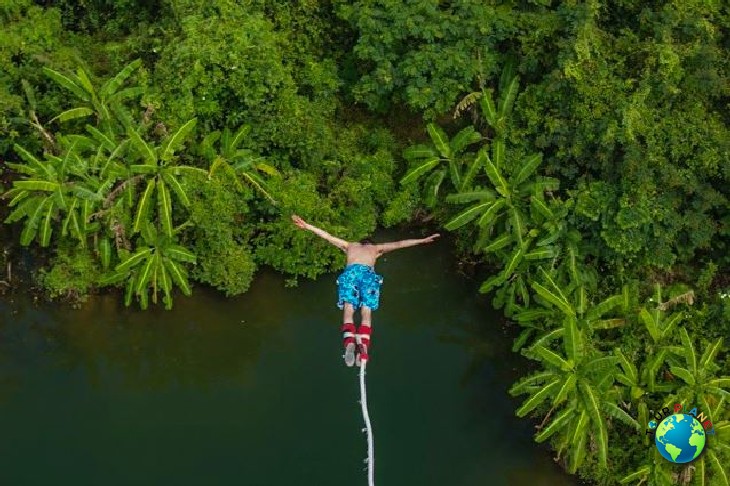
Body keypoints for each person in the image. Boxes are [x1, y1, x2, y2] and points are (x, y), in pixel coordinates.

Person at [291, 214, 440, 367]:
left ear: (359, 243)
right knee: (366, 312)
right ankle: (363, 344)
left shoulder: (349, 245)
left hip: (351, 274)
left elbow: (327, 236)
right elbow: (399, 243)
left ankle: (349, 341)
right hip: (368, 276)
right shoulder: (376, 249)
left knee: (348, 309)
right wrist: (422, 241)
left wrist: (307, 226)